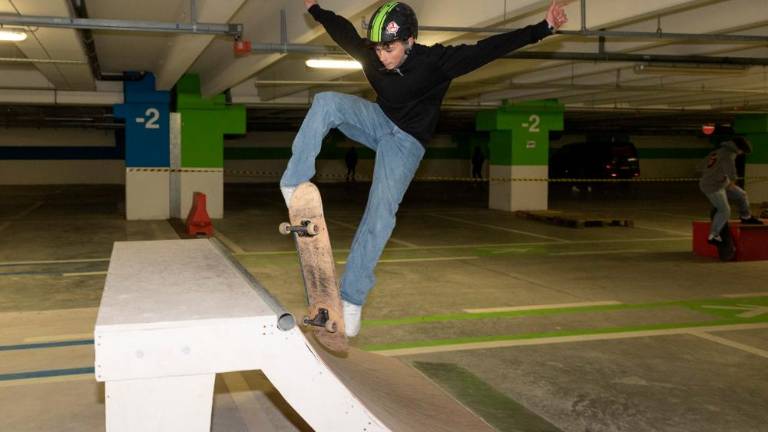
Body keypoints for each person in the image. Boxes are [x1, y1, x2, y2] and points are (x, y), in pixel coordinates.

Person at [281, 0, 568, 337]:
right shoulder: (372, 54)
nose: (382, 57)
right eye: (377, 49)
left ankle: (352, 297)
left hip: (406, 144)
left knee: (381, 210)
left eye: (389, 49)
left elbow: (487, 49)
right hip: (378, 121)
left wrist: (543, 28)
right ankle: (293, 182)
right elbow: (342, 30)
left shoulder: (436, 62)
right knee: (326, 102)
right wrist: (316, 8)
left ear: (410, 41)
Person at [699, 136, 763, 246]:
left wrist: (714, 173)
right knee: (724, 210)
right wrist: (732, 180)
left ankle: (746, 217)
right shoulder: (729, 154)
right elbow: (731, 171)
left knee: (741, 195)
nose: (741, 154)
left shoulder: (718, 151)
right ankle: (713, 236)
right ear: (739, 148)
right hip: (712, 186)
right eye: (742, 151)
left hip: (722, 182)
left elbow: (700, 166)